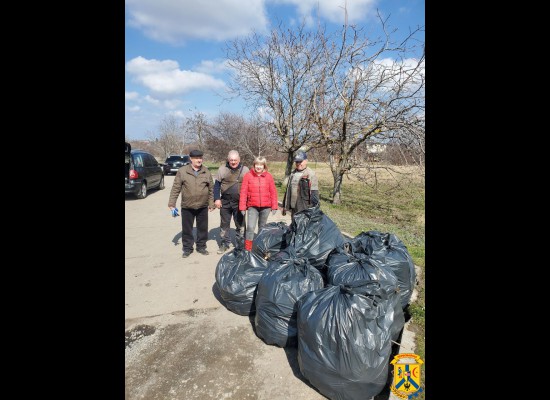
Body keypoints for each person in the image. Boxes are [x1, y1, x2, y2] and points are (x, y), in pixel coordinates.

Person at [168, 149, 215, 258]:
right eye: (196, 158)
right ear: (191, 159)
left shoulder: (206, 171)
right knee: (187, 229)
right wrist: (172, 203)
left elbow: (211, 189)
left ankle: (201, 246)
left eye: (200, 158)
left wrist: (211, 203)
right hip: (187, 206)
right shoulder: (182, 171)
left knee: (202, 228)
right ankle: (187, 248)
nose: (199, 160)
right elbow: (176, 188)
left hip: (202, 206)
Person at [239, 156, 279, 251]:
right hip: (253, 206)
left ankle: (260, 248)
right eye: (257, 164)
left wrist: (274, 206)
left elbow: (273, 191)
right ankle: (248, 249)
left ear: (264, 166)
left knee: (262, 228)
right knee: (250, 227)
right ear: (254, 165)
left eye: (261, 165)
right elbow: (243, 192)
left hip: (266, 207)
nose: (259, 167)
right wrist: (242, 207)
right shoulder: (248, 176)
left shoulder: (268, 176)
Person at [213, 150, 249, 254]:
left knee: (240, 224)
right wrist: (217, 198)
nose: (233, 162)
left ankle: (240, 245)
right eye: (231, 160)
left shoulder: (245, 170)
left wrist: (248, 201)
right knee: (224, 224)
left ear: (239, 160)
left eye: (235, 160)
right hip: (225, 201)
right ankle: (224, 244)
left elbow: (249, 186)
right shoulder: (222, 169)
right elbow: (217, 185)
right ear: (228, 160)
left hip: (239, 202)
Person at [282, 150, 319, 218]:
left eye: (300, 161)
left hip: (304, 208)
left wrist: (314, 210)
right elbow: (287, 191)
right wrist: (285, 205)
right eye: (297, 162)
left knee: (302, 227)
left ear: (306, 161)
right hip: (293, 207)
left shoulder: (311, 174)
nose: (298, 164)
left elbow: (314, 194)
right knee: (294, 226)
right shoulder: (292, 174)